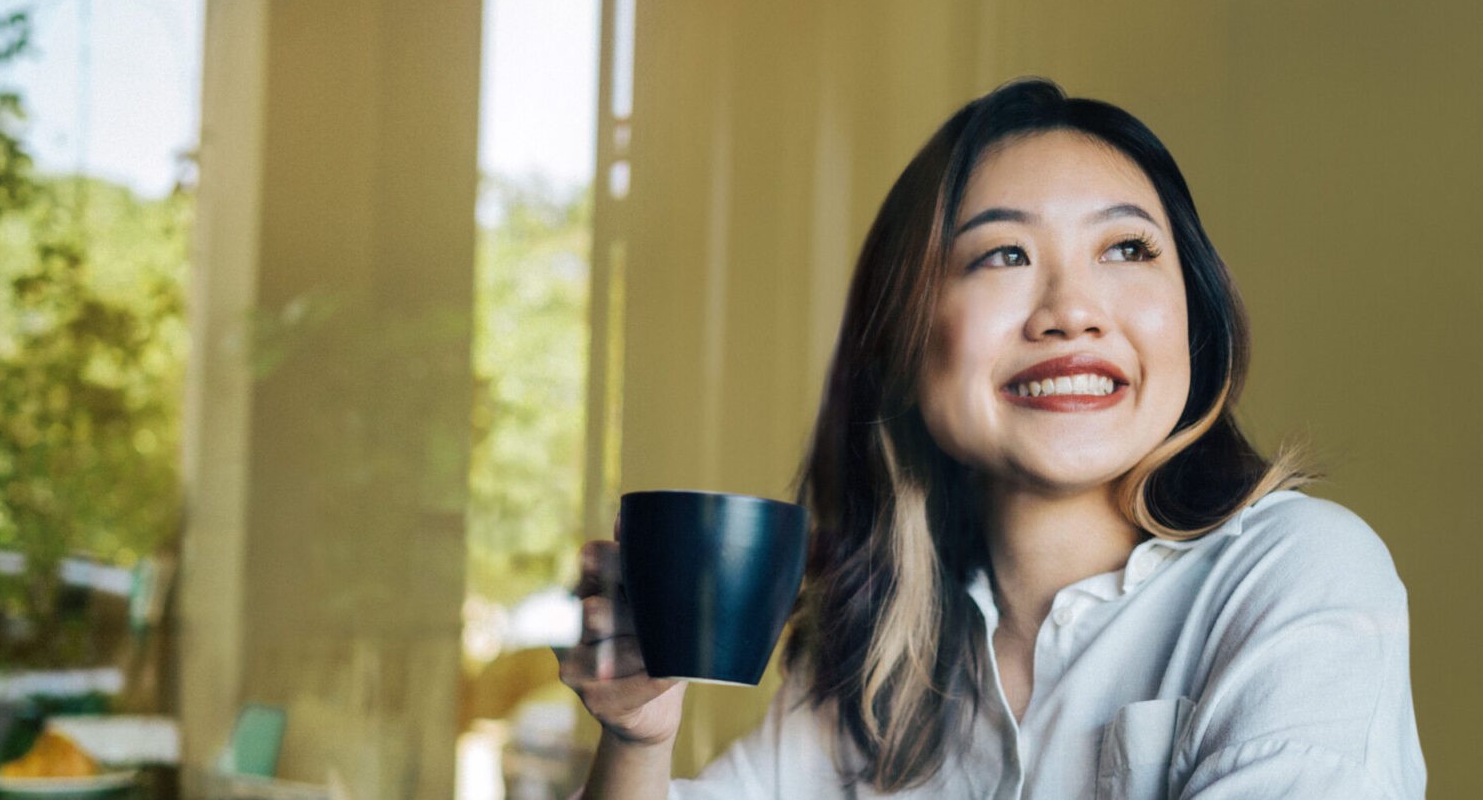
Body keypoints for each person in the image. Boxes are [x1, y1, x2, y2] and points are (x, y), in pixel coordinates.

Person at [561, 79, 1425, 799]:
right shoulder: (878, 662)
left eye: (1126, 248)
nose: (1072, 313)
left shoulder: (1298, 573)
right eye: (1003, 255)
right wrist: (639, 737)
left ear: (1193, 319)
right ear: (902, 340)